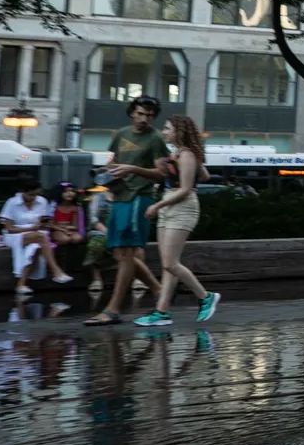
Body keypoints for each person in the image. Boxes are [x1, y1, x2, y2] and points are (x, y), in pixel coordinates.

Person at [86, 95, 172, 325]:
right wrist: (107, 172)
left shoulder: (155, 139)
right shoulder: (121, 134)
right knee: (118, 252)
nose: (145, 119)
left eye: (150, 115)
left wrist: (133, 169)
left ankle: (113, 310)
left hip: (138, 198)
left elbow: (162, 173)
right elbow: (114, 161)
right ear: (132, 112)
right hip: (119, 195)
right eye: (141, 113)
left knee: (125, 253)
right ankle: (158, 290)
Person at [133, 116, 221, 327]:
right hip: (169, 204)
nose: (164, 132)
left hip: (181, 207)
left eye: (167, 128)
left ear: (179, 130)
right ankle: (161, 312)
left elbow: (185, 190)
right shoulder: (180, 153)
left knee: (170, 263)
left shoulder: (187, 154)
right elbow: (206, 176)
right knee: (168, 265)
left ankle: (205, 296)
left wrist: (157, 206)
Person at [0, 179, 72, 293]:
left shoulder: (42, 201)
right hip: (14, 235)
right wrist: (31, 228)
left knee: (33, 249)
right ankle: (56, 271)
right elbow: (9, 229)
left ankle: (21, 285)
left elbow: (45, 222)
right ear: (23, 192)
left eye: (36, 194)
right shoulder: (12, 202)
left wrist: (55, 227)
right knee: (41, 237)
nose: (33, 197)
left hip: (36, 234)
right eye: (31, 195)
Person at [49, 183, 88, 248]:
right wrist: (62, 229)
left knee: (77, 238)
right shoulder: (54, 206)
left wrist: (67, 229)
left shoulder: (75, 208)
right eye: (66, 191)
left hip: (69, 230)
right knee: (65, 239)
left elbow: (75, 226)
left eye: (72, 191)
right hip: (56, 230)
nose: (70, 193)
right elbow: (50, 224)